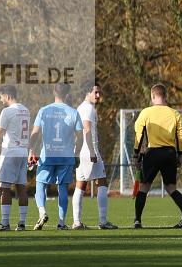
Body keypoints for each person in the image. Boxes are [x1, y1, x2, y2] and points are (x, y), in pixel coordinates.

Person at [132, 84, 182, 229]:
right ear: (165, 96)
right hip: (169, 153)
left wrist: (136, 154)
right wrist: (180, 155)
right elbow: (180, 136)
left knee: (144, 187)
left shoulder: (146, 112)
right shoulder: (175, 114)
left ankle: (137, 220)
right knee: (171, 188)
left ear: (153, 96)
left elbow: (139, 134)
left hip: (152, 153)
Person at [26, 83, 79, 231]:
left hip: (47, 154)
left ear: (53, 92)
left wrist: (31, 150)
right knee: (62, 187)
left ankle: (42, 212)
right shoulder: (73, 112)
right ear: (67, 93)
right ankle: (61, 222)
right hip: (66, 155)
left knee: (40, 184)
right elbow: (80, 137)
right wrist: (77, 152)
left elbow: (35, 133)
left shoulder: (44, 111)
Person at [74, 83, 117, 229]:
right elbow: (86, 129)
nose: (98, 96)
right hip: (89, 150)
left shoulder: (80, 107)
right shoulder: (88, 108)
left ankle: (77, 222)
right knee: (102, 183)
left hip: (80, 150)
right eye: (96, 92)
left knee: (81, 184)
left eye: (99, 93)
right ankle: (103, 221)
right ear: (88, 93)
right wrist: (92, 151)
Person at [0, 85, 32, 230]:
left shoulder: (7, 111)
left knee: (4, 187)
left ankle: (5, 223)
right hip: (22, 152)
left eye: (1, 96)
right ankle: (22, 223)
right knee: (21, 188)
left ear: (7, 96)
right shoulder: (25, 110)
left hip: (10, 152)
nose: (0, 99)